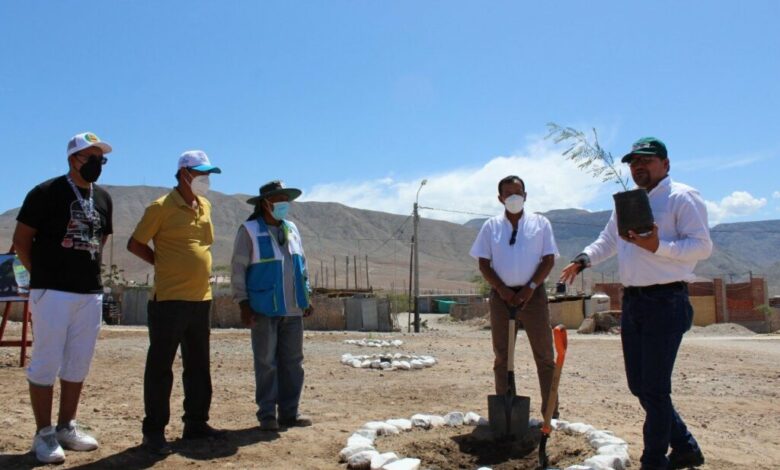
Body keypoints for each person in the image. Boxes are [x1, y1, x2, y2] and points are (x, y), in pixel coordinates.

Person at [560, 137, 711, 470]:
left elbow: (701, 247)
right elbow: (608, 241)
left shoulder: (682, 197)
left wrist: (659, 245)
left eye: (647, 160)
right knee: (640, 387)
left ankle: (654, 461)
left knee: (655, 389)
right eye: (633, 162)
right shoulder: (629, 202)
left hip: (667, 300)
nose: (639, 167)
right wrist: (584, 258)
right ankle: (685, 447)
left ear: (665, 164)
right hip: (634, 303)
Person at [13, 132, 113, 463]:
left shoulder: (104, 199)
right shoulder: (45, 193)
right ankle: (43, 434)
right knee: (46, 360)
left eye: (102, 159)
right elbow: (22, 241)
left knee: (78, 361)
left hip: (89, 293)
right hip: (52, 292)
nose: (97, 165)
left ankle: (66, 426)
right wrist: (43, 275)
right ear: (73, 159)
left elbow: (102, 242)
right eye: (91, 158)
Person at [127, 150, 224, 454]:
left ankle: (195, 423)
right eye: (201, 174)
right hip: (168, 300)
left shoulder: (205, 205)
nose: (205, 180)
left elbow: (204, 245)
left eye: (208, 174)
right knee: (161, 367)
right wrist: (162, 262)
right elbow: (135, 243)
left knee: (198, 366)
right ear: (184, 174)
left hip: (201, 299)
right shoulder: (161, 207)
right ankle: (154, 431)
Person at [469, 175, 559, 418]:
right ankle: (506, 412)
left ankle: (550, 413)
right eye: (508, 194)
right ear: (500, 198)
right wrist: (502, 289)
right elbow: (484, 264)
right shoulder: (491, 227)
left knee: (545, 356)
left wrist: (530, 287)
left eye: (518, 193)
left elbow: (549, 260)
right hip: (502, 298)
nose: (514, 198)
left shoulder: (541, 224)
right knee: (502, 357)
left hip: (534, 297)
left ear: (526, 196)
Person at [231, 180, 313, 432]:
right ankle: (267, 414)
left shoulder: (292, 229)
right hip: (263, 308)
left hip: (293, 309)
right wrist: (243, 303)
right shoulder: (250, 230)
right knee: (266, 362)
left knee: (293, 362)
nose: (283, 204)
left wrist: (306, 297)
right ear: (265, 203)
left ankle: (289, 412)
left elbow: (302, 266)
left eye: (285, 199)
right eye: (278, 200)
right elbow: (238, 269)